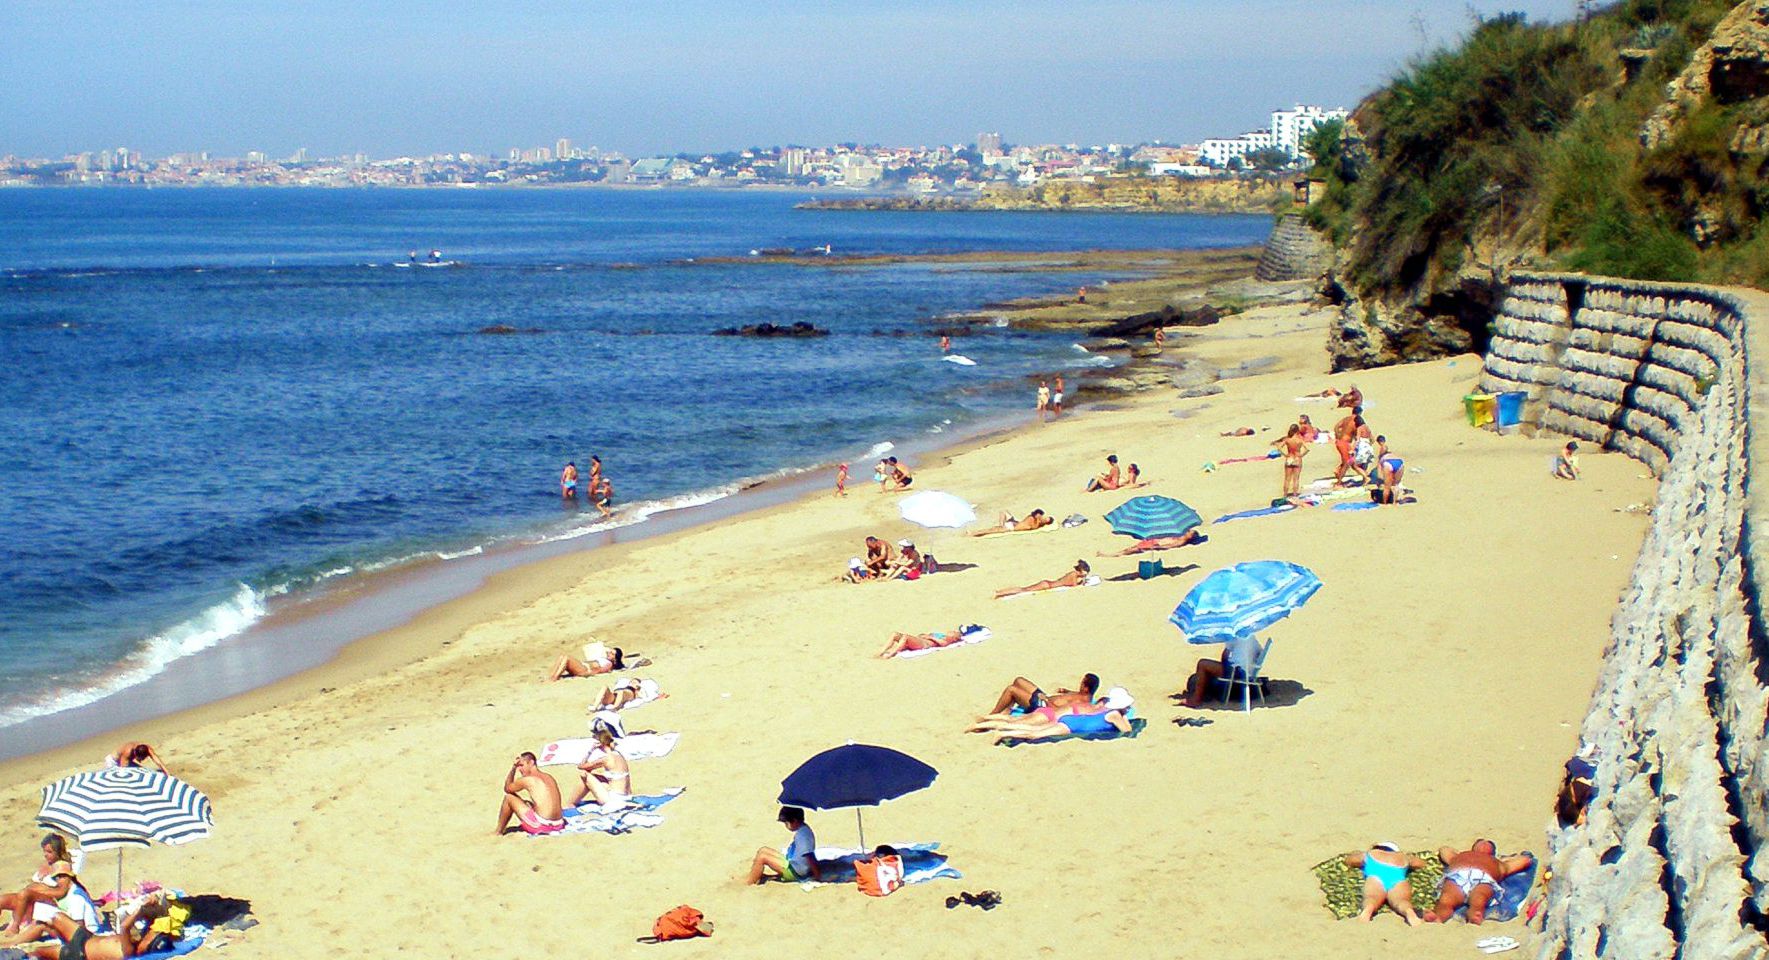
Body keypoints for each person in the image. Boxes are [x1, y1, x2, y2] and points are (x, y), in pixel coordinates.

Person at [0, 834, 100, 941]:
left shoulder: (62, 867)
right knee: (2, 899)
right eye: (44, 851)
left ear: (58, 852)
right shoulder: (48, 863)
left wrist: (41, 890)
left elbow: (61, 892)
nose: (45, 855)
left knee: (25, 894)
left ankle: (15, 926)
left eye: (49, 852)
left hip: (53, 902)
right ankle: (19, 922)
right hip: (34, 900)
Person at [21, 897, 175, 960]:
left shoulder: (129, 951)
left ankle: (14, 950)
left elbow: (124, 926)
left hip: (79, 954)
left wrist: (140, 909)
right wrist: (152, 903)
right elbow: (155, 921)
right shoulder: (137, 942)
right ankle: (23, 921)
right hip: (86, 937)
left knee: (37, 953)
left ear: (147, 947)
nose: (148, 934)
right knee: (53, 915)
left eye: (150, 937)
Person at [1422, 840, 1533, 924]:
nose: (1484, 843)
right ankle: (1438, 918)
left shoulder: (1499, 863)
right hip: (1459, 875)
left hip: (1484, 878)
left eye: (1487, 843)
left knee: (1479, 898)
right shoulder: (1460, 856)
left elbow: (1525, 860)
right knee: (1446, 898)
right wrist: (1463, 854)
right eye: (1481, 841)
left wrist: (1503, 860)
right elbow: (1444, 849)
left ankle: (1475, 916)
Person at [981, 688, 1135, 745]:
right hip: (1072, 725)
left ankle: (994, 725)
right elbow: (1127, 731)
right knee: (1034, 734)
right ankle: (1003, 732)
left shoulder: (1102, 707)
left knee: (1028, 726)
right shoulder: (1115, 714)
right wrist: (1125, 715)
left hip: (1072, 719)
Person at [1341, 843, 1426, 925]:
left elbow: (1350, 861)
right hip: (1398, 879)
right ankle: (1409, 912)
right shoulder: (1403, 857)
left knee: (1372, 898)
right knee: (1401, 901)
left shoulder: (1371, 854)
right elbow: (1421, 864)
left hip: (1376, 878)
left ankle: (1368, 910)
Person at [1180, 633, 1264, 708]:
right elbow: (1259, 653)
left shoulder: (1233, 636)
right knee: (1211, 667)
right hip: (1249, 672)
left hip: (1237, 671)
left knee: (1202, 664)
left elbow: (1224, 657)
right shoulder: (1252, 637)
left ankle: (1196, 700)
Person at [494, 752, 564, 836]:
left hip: (542, 826)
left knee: (509, 798)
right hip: (559, 824)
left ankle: (498, 832)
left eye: (521, 765)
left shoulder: (528, 779)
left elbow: (507, 789)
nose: (519, 769)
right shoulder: (549, 777)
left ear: (531, 762)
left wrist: (513, 768)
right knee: (528, 803)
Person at [748, 807, 821, 884]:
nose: (786, 826)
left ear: (794, 821)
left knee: (762, 857)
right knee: (763, 850)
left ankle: (749, 882)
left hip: (795, 871)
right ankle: (753, 875)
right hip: (793, 862)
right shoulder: (803, 829)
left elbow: (809, 855)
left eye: (786, 823)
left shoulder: (803, 836)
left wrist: (817, 875)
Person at [568, 727, 632, 809]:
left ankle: (571, 804)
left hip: (614, 800)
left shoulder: (606, 759)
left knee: (585, 775)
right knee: (596, 776)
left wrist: (591, 750)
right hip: (626, 796)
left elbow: (581, 766)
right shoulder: (619, 755)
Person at [982, 673, 1099, 717]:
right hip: (1044, 699)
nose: (1080, 684)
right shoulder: (1083, 695)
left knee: (1011, 689)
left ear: (1086, 688)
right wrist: (1066, 691)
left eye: (1082, 682)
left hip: (1043, 706)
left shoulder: (1081, 703)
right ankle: (1007, 709)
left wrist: (1046, 701)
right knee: (1019, 680)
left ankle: (992, 716)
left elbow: (1060, 712)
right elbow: (1072, 695)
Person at [994, 559, 1090, 599]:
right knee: (1023, 590)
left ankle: (1000, 592)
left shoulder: (1073, 574)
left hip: (1047, 584)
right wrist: (1083, 581)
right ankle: (1000, 593)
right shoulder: (1073, 575)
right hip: (1047, 585)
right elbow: (1074, 585)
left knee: (1024, 589)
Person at [876, 625, 982, 658]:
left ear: (955, 637)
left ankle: (891, 653)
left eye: (954, 632)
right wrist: (926, 635)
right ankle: (882, 651)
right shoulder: (943, 635)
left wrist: (930, 637)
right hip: (920, 639)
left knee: (905, 638)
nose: (952, 631)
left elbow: (942, 645)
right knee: (895, 634)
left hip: (924, 644)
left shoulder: (948, 640)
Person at [543, 644, 625, 682]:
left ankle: (554, 677)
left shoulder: (609, 664)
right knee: (562, 657)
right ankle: (552, 675)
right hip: (584, 666)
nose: (609, 653)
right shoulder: (605, 659)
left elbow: (600, 670)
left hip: (585, 669)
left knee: (567, 658)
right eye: (610, 652)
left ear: (615, 659)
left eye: (612, 654)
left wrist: (588, 673)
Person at [1096, 529, 1203, 556]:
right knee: (1132, 548)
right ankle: (1111, 554)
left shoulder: (1181, 541)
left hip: (1155, 544)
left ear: (1190, 537)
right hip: (1155, 540)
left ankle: (1109, 555)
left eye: (1190, 532)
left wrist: (1157, 547)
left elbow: (1169, 546)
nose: (1188, 531)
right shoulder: (1180, 534)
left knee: (1132, 549)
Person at [1275, 424, 1309, 498]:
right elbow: (1307, 449)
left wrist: (1285, 455)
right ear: (1297, 431)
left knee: (1287, 478)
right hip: (1297, 458)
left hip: (1289, 457)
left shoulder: (1287, 439)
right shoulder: (1299, 440)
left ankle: (1285, 495)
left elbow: (1279, 448)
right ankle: (1295, 494)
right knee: (1296, 478)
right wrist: (1301, 455)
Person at [595, 677, 665, 711]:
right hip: (614, 696)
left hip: (620, 697)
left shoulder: (639, 690)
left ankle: (615, 707)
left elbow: (645, 698)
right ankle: (595, 706)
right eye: (632, 681)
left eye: (635, 682)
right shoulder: (623, 686)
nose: (633, 682)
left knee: (621, 692)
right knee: (605, 687)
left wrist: (657, 696)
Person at [969, 509, 1051, 537]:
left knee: (991, 530)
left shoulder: (1036, 522)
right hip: (1013, 525)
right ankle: (973, 533)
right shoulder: (1031, 518)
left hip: (1013, 525)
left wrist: (1042, 521)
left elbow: (1036, 525)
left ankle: (973, 533)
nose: (1043, 518)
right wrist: (1041, 521)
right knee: (991, 530)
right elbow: (1033, 525)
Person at [1333, 406, 1360, 485]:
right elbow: (1357, 433)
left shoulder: (1346, 419)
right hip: (1344, 443)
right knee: (1347, 462)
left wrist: (1338, 435)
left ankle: (1338, 470)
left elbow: (1336, 427)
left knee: (1350, 460)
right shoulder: (1355, 421)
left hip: (1340, 441)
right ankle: (1339, 482)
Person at [1375, 436, 1404, 503]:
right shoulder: (1389, 451)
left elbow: (1379, 468)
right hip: (1399, 462)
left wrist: (1379, 480)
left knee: (1387, 486)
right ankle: (1394, 502)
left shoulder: (1383, 448)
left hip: (1388, 462)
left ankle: (1385, 503)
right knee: (1396, 484)